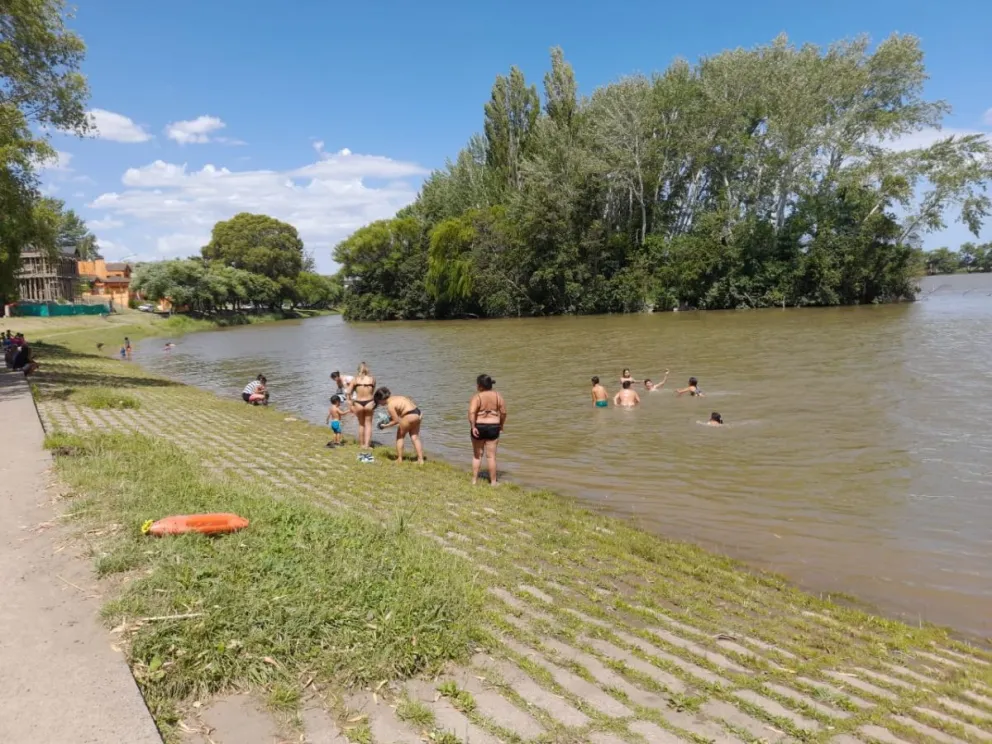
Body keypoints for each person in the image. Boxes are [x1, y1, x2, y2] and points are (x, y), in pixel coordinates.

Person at [470, 374, 507, 485]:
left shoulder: (477, 397)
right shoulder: (498, 396)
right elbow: (504, 413)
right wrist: (501, 425)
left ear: (480, 386)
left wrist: (473, 427)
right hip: (493, 427)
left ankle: (474, 480)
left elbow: (471, 413)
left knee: (477, 456)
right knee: (491, 457)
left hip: (479, 426)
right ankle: (493, 482)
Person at [373, 386, 425, 465]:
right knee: (415, 437)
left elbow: (396, 421)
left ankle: (399, 459)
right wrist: (389, 419)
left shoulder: (390, 405)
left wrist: (385, 426)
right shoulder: (398, 397)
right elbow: (402, 410)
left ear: (381, 399)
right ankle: (420, 460)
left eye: (379, 402)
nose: (379, 404)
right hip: (418, 414)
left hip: (409, 416)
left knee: (400, 437)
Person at [348, 362, 376, 449]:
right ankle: (367, 445)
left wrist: (350, 402)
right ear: (367, 369)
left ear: (358, 370)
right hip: (369, 402)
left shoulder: (355, 380)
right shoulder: (372, 379)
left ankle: (361, 445)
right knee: (368, 424)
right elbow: (372, 392)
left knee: (361, 424)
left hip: (358, 403)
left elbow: (349, 392)